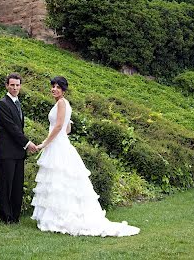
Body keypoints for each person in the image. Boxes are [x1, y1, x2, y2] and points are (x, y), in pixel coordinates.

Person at [32, 76, 140, 237]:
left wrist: (44, 143)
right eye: (53, 86)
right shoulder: (65, 104)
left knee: (58, 181)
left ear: (63, 90)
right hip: (61, 144)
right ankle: (56, 217)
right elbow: (67, 129)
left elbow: (60, 126)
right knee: (60, 182)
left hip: (57, 146)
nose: (54, 89)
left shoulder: (61, 103)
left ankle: (59, 218)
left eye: (57, 87)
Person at [0, 72, 37, 223]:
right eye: (12, 85)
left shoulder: (18, 103)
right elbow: (12, 128)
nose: (15, 88)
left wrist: (24, 146)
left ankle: (15, 217)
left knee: (17, 186)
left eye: (17, 85)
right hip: (6, 152)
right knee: (6, 186)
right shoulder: (3, 104)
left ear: (20, 86)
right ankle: (5, 217)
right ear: (7, 85)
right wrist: (27, 143)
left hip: (18, 152)